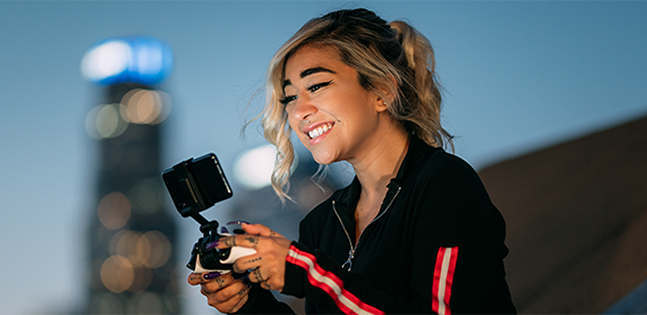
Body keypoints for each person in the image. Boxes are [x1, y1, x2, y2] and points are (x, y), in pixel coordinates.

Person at [188, 8, 516, 314]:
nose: (298, 111)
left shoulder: (445, 185)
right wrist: (251, 304)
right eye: (290, 97)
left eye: (316, 85)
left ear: (382, 90)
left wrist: (304, 271)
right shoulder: (321, 223)